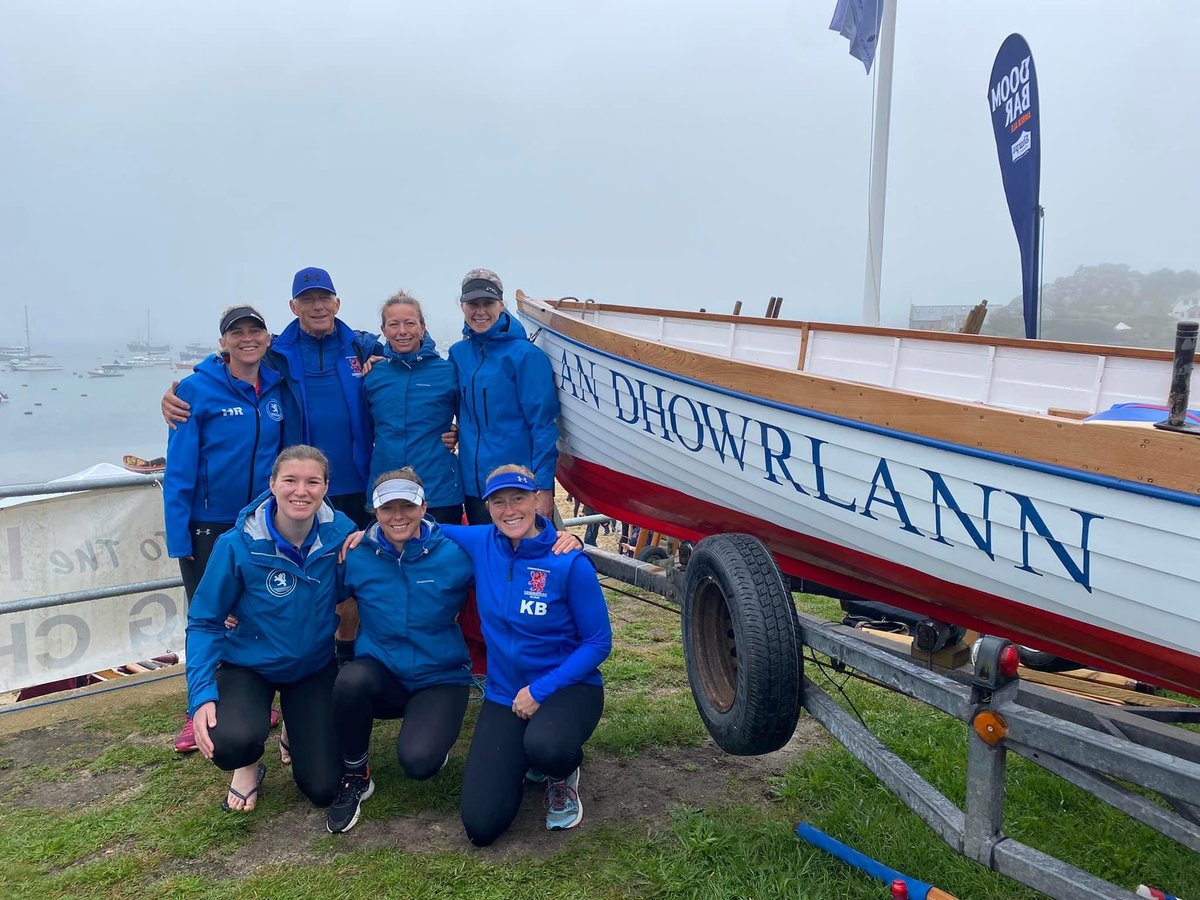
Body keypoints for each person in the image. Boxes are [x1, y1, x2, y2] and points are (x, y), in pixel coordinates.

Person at [164, 266, 377, 666]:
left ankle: (331, 668)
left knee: (336, 585)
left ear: (337, 302)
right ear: (293, 306)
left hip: (341, 490)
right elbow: (179, 468)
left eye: (324, 298)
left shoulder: (361, 347)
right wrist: (179, 538)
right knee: (228, 607)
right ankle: (218, 691)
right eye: (308, 299)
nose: (317, 306)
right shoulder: (275, 356)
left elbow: (409, 344)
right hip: (273, 501)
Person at [441, 465, 611, 845]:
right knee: (481, 825)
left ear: (537, 500)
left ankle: (561, 772)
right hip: (505, 694)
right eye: (498, 502)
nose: (509, 510)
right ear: (487, 507)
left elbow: (599, 642)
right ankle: (527, 757)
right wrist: (363, 534)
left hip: (568, 687)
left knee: (547, 746)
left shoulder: (567, 561)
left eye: (518, 498)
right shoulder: (483, 541)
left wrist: (540, 690)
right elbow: (422, 527)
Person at [186, 445, 356, 812]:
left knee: (324, 788)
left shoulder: (343, 536)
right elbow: (203, 621)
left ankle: (294, 727)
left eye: (313, 482)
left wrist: (369, 544)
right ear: (272, 484)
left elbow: (359, 586)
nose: (301, 491)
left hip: (312, 667)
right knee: (230, 742)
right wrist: (200, 695)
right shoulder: (236, 544)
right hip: (250, 666)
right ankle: (248, 765)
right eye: (290, 480)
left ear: (326, 487)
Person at [163, 305, 287, 753]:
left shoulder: (277, 386)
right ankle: (196, 706)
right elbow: (178, 470)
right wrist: (180, 537)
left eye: (255, 331)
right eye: (237, 332)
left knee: (255, 612)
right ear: (223, 342)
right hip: (208, 523)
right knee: (208, 616)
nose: (247, 338)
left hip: (260, 521)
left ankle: (254, 702)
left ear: (268, 338)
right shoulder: (195, 390)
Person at [325, 468, 474, 834]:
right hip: (383, 672)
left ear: (424, 507)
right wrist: (239, 610)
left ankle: (430, 729)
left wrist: (562, 540)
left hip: (440, 676)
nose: (398, 516)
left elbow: (513, 556)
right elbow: (314, 594)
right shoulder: (356, 553)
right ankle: (356, 774)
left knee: (419, 762)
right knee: (349, 680)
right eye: (387, 508)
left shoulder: (456, 552)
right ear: (374, 511)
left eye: (407, 506)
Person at [449, 269, 560, 525]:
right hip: (475, 489)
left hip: (517, 487)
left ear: (501, 304)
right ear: (462, 306)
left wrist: (544, 487)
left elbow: (543, 425)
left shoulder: (525, 355)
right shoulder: (458, 354)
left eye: (488, 303)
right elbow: (444, 403)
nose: (480, 311)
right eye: (473, 304)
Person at [363, 293, 463, 525]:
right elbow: (363, 428)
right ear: (383, 330)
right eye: (394, 324)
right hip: (386, 489)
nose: (402, 331)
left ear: (422, 327)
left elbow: (471, 417)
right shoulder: (373, 375)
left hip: (438, 490)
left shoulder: (447, 372)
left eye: (410, 323)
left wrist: (459, 433)